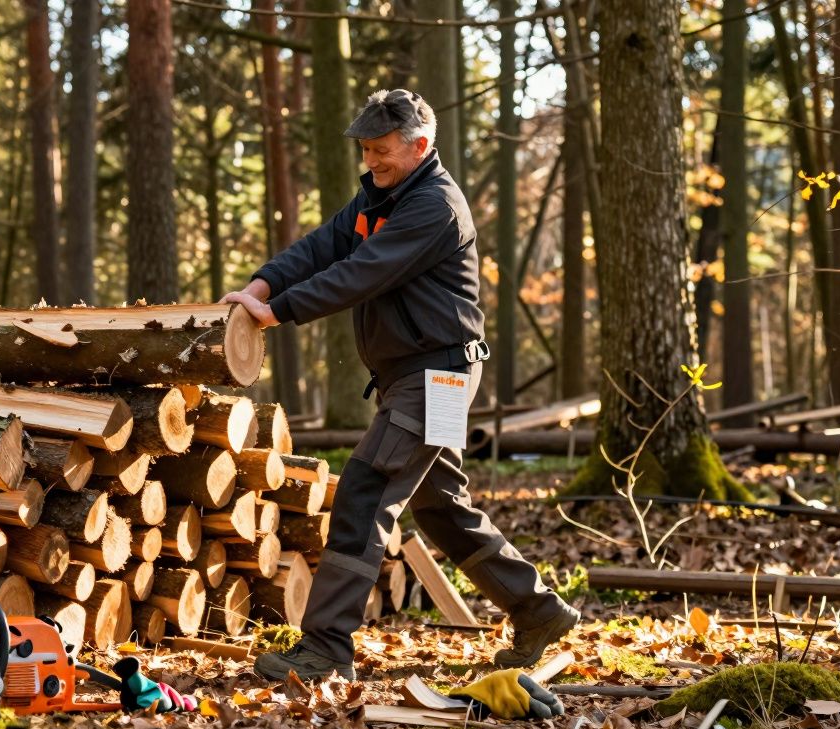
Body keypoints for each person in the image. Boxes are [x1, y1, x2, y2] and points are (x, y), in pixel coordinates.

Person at [222, 89, 579, 681]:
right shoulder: (379, 198)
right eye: (366, 150)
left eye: (382, 150)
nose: (372, 161)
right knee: (439, 505)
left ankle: (325, 648)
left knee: (366, 489)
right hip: (418, 376)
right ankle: (537, 610)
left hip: (437, 375)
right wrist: (262, 286)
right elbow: (322, 247)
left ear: (421, 145)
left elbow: (363, 271)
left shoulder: (433, 205)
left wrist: (278, 311)